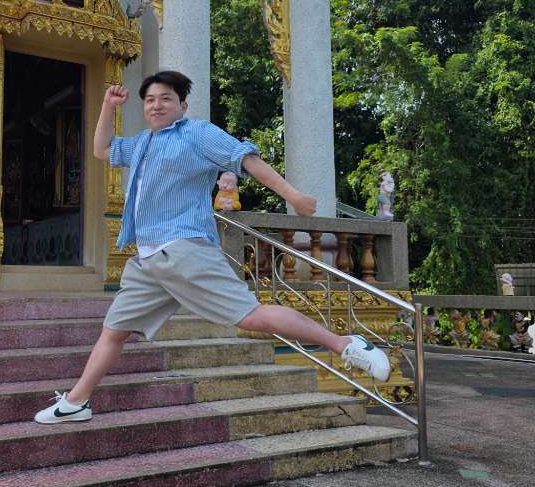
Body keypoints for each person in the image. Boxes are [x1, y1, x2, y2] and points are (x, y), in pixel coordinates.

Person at [35, 71, 390, 423]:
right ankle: (77, 402)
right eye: (150, 100)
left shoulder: (197, 134)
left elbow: (245, 159)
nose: (156, 105)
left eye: (166, 99)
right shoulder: (142, 143)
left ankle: (345, 344)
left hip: (183, 249)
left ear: (182, 106)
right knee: (113, 331)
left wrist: (292, 195)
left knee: (250, 317)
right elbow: (101, 149)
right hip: (147, 260)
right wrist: (108, 106)